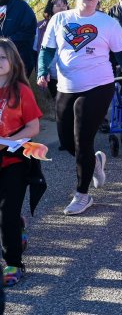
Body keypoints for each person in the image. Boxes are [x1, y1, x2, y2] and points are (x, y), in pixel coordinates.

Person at [38, 0, 122, 215]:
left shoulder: (108, 23)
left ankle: (82, 194)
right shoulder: (60, 19)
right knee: (66, 142)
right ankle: (94, 162)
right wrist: (44, 70)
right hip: (66, 86)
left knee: (81, 140)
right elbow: (47, 51)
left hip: (98, 85)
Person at [0, 38, 43, 287]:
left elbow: (34, 127)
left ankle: (14, 263)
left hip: (15, 158)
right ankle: (18, 224)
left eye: (3, 57)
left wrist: (6, 141)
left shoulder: (21, 90)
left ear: (13, 61)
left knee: (8, 211)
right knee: (6, 215)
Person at [34, 0, 69, 98]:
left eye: (64, 5)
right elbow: (36, 50)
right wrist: (42, 71)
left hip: (69, 72)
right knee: (57, 101)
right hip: (51, 73)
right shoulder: (41, 27)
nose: (62, 8)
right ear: (50, 8)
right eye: (58, 5)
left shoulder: (74, 24)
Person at [0, 0, 37, 75]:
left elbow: (29, 32)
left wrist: (6, 42)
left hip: (18, 61)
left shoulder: (22, 8)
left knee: (15, 89)